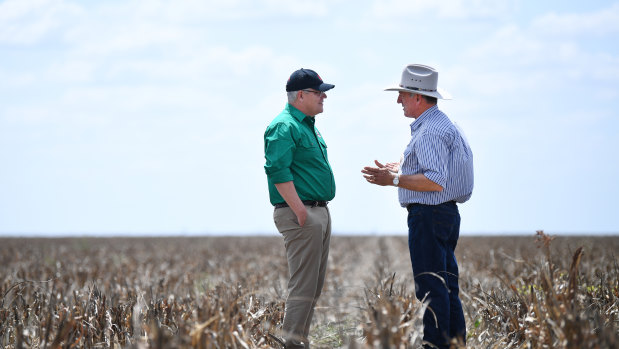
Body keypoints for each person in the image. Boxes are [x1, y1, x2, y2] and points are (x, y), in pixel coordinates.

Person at [361, 64, 474, 349]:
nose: (398, 100)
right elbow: (438, 170)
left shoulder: (429, 133)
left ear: (418, 98)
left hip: (429, 214)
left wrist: (394, 179)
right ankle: (455, 343)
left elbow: (435, 180)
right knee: (447, 287)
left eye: (402, 94)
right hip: (445, 214)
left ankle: (435, 344)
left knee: (430, 287)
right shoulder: (442, 124)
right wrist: (401, 167)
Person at [263, 68, 335, 349]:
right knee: (303, 287)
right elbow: (277, 170)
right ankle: (292, 344)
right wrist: (300, 211)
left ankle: (299, 342)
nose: (324, 96)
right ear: (301, 95)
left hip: (318, 211)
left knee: (313, 287)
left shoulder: (306, 125)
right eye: (319, 92)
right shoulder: (284, 126)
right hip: (301, 212)